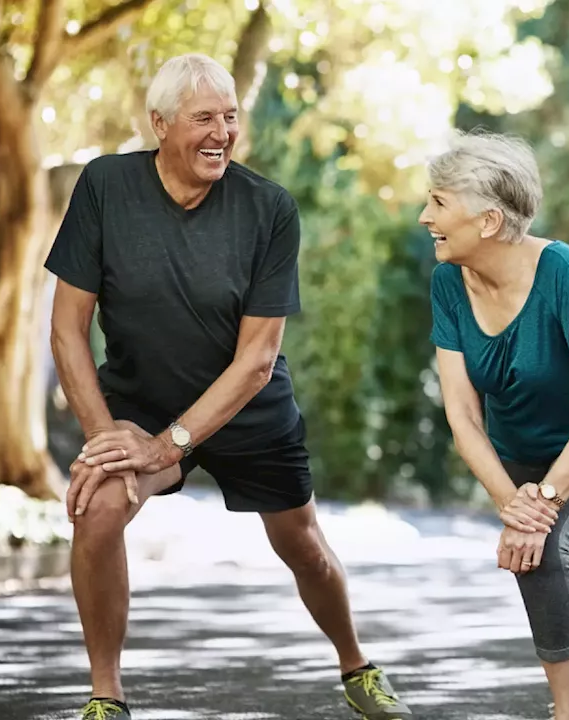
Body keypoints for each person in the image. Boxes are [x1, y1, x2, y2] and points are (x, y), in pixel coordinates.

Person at [45, 53, 412, 720]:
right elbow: (67, 328)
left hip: (248, 409)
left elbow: (257, 361)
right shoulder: (105, 187)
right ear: (159, 124)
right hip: (139, 403)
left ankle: (356, 665)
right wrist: (105, 438)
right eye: (203, 118)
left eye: (231, 117)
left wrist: (171, 445)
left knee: (302, 545)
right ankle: (107, 696)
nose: (222, 132)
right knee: (97, 506)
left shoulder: (268, 208)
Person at [421, 130, 569, 720]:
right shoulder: (448, 283)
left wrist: (542, 505)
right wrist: (512, 502)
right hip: (521, 456)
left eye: (439, 202)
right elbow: (463, 414)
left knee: (546, 544)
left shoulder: (563, 273)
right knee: (560, 546)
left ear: (488, 219)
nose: (425, 215)